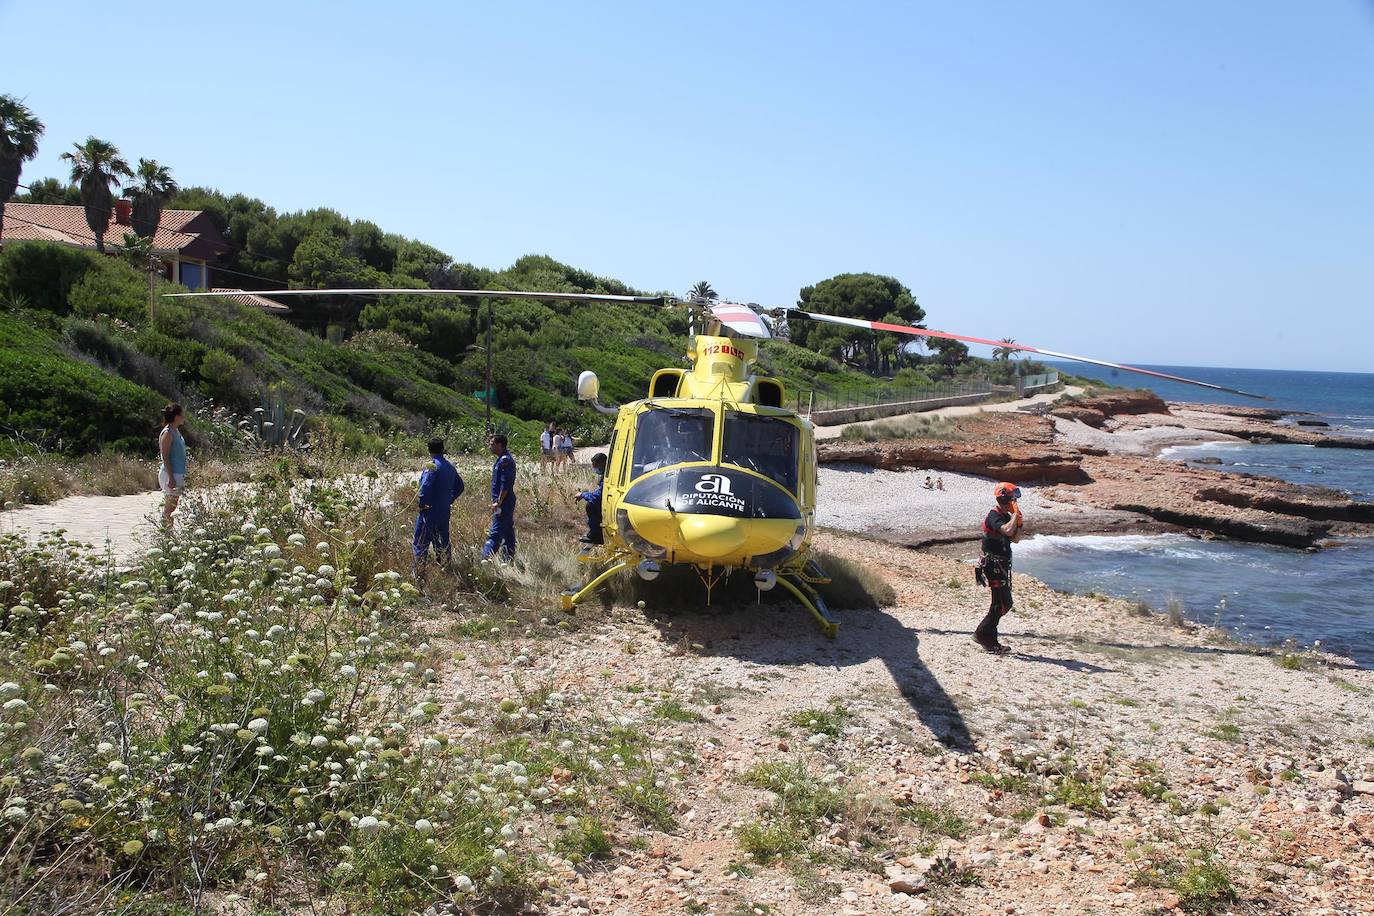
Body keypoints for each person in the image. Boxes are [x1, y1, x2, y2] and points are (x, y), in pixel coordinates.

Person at [974, 481, 1024, 655]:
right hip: (993, 565)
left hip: (1001, 565)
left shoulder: (1005, 516)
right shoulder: (994, 516)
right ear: (1005, 499)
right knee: (1000, 603)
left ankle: (987, 636)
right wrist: (1014, 517)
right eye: (1012, 499)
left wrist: (1018, 522)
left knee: (1004, 603)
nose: (1014, 503)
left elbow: (1015, 538)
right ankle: (984, 636)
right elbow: (1007, 531)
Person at [414, 437, 464, 576]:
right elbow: (460, 486)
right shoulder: (450, 467)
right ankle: (446, 569)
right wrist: (449, 499)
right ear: (443, 449)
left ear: (428, 449)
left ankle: (418, 574)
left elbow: (426, 487)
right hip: (444, 511)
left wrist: (422, 504)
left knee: (420, 543)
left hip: (429, 511)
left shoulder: (432, 467)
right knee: (442, 541)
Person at [482, 434, 517, 560]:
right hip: (503, 502)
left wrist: (498, 502)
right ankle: (508, 559)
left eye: (492, 444)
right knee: (508, 532)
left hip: (504, 503)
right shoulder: (500, 459)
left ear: (500, 445)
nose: (490, 446)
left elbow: (505, 485)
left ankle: (485, 559)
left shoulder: (505, 461)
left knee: (495, 533)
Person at [157, 403, 188, 529]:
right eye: (181, 415)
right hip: (171, 473)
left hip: (178, 472)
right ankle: (166, 533)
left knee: (173, 506)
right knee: (169, 507)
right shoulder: (168, 433)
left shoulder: (176, 431)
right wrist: (171, 477)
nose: (183, 418)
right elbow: (165, 456)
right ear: (176, 416)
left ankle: (169, 532)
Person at [573, 452, 607, 545]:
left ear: (602, 464)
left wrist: (583, 495)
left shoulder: (608, 477)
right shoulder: (607, 475)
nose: (595, 468)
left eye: (595, 465)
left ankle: (597, 535)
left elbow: (597, 497)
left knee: (591, 505)